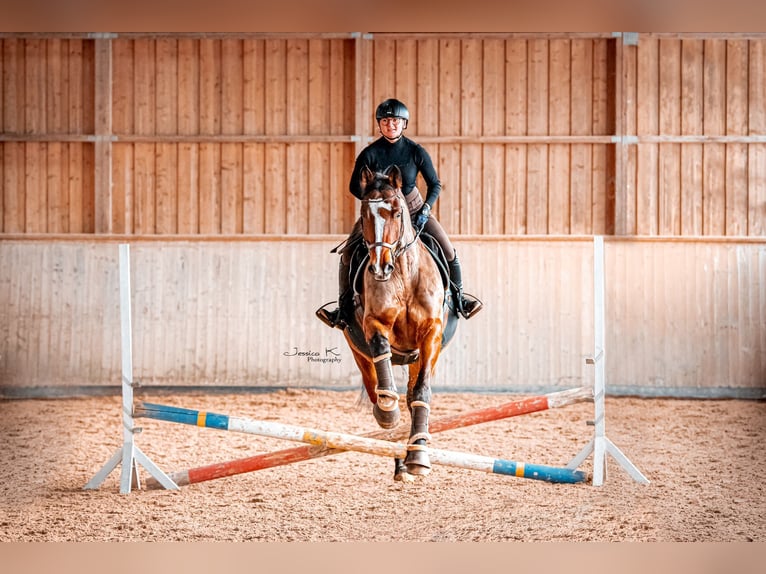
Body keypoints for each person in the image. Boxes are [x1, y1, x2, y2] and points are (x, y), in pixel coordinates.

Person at [317, 98, 482, 329]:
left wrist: (426, 208)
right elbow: (354, 187)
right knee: (347, 254)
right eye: (385, 121)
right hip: (380, 215)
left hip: (414, 210)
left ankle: (460, 298)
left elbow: (435, 184)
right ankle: (343, 310)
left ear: (404, 124)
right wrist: (374, 204)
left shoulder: (416, 151)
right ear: (379, 125)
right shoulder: (369, 153)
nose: (390, 125)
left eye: (395, 121)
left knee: (448, 249)